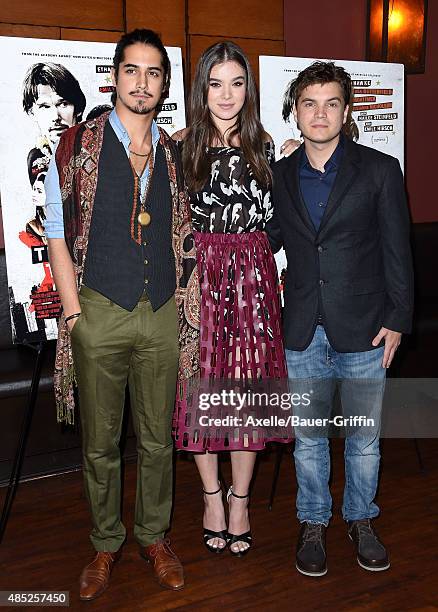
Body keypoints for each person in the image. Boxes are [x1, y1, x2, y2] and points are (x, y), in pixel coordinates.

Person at [45, 29, 200, 599]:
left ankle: (154, 537)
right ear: (114, 77)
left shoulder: (177, 152)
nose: (143, 82)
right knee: (100, 443)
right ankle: (105, 544)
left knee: (159, 440)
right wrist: (73, 313)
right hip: (99, 312)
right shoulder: (76, 146)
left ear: (164, 84)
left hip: (160, 311)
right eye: (132, 71)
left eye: (154, 73)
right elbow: (56, 232)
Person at [267, 61, 414, 577]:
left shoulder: (379, 169)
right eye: (310, 103)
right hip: (302, 325)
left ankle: (361, 518)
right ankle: (313, 522)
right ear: (296, 112)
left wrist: (397, 319)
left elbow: (399, 251)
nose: (320, 113)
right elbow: (270, 242)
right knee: (308, 437)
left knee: (362, 437)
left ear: (346, 111)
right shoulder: (279, 174)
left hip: (365, 328)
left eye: (331, 103)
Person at [172, 41, 290, 557]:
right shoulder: (178, 147)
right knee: (203, 390)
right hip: (200, 281)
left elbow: (280, 226)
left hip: (253, 281)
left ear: (249, 88)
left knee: (245, 395)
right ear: (202, 88)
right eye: (215, 83)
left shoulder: (268, 147)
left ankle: (240, 502)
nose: (226, 94)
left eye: (237, 83)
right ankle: (212, 498)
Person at [23, 62, 86, 149]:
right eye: (45, 106)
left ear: (78, 109)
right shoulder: (36, 159)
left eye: (63, 104)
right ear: (32, 113)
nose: (55, 116)